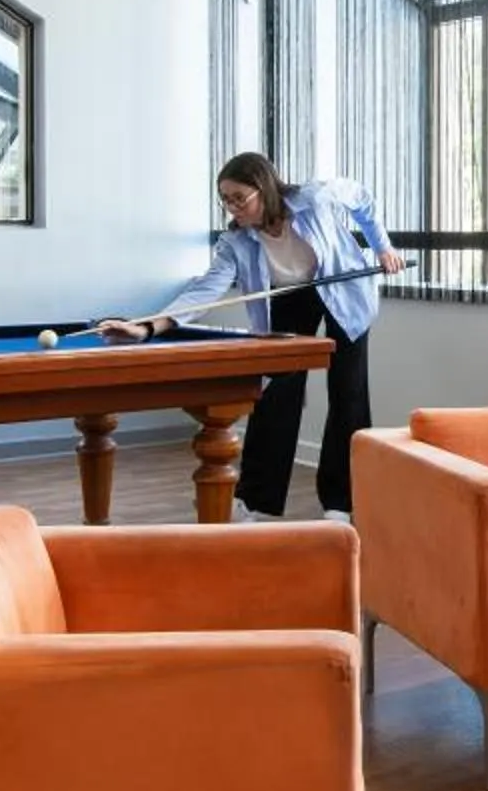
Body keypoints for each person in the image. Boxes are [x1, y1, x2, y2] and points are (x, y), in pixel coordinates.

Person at [101, 153, 405, 519]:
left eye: (238, 198)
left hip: (343, 292)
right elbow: (204, 292)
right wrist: (147, 327)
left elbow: (361, 199)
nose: (232, 208)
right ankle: (257, 501)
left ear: (263, 189)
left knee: (348, 394)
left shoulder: (314, 198)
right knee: (276, 394)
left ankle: (341, 503)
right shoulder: (235, 242)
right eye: (225, 199)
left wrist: (382, 246)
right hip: (288, 296)